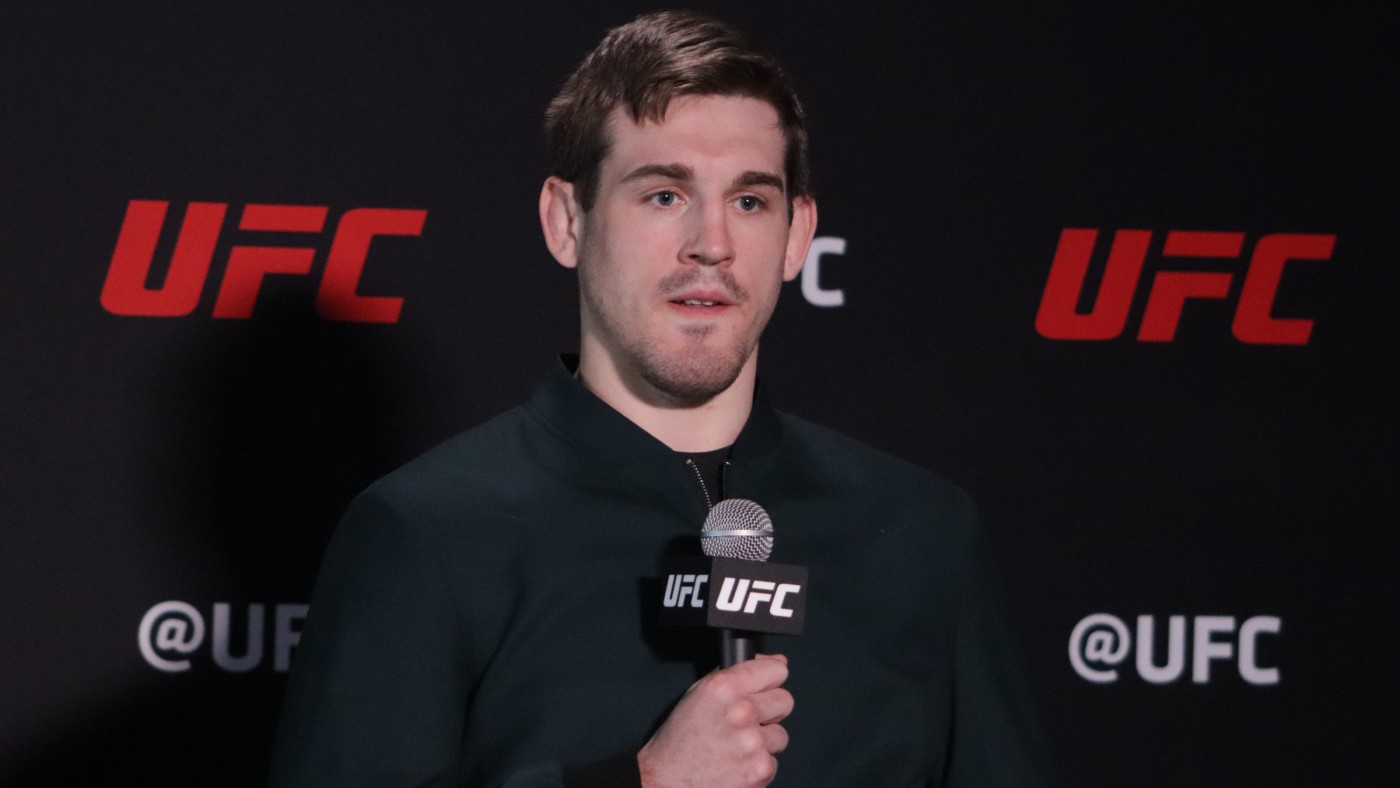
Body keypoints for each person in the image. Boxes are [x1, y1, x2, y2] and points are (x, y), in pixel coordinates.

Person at [270, 10, 1050, 787]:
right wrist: (644, 782)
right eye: (665, 195)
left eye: (749, 201)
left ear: (797, 235)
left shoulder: (921, 534)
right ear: (566, 221)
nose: (712, 243)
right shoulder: (429, 533)